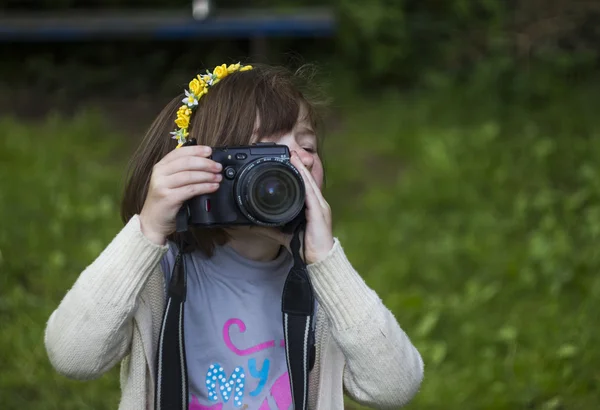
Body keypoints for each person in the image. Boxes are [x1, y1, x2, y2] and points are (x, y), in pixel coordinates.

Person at [44, 62, 424, 410]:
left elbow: (394, 387)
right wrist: (148, 229)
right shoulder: (158, 275)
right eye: (266, 149)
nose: (299, 160)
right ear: (205, 169)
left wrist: (325, 261)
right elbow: (74, 356)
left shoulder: (325, 287)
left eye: (307, 146)